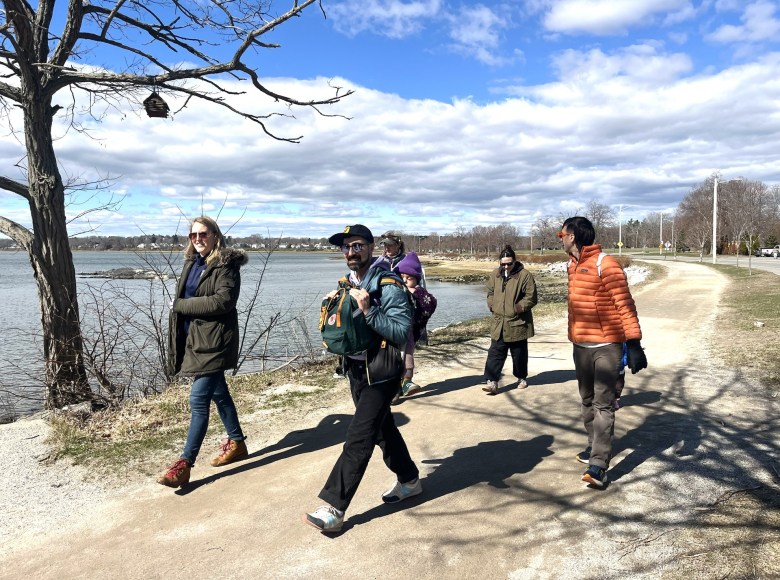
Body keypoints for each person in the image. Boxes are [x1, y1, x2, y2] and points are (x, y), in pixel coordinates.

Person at [304, 224, 421, 534]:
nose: (351, 252)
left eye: (357, 245)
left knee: (359, 436)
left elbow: (400, 331)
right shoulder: (346, 283)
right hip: (356, 370)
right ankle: (409, 480)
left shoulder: (388, 283)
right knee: (383, 430)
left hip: (382, 370)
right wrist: (331, 307)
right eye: (346, 247)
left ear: (371, 247)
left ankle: (334, 507)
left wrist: (368, 309)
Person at [157, 216, 249, 488]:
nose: (198, 239)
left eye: (203, 234)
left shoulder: (227, 264)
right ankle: (238, 443)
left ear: (215, 235)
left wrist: (181, 305)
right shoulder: (192, 262)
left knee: (198, 400)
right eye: (193, 235)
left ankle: (184, 465)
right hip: (194, 340)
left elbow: (223, 301)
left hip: (215, 342)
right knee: (219, 392)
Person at [560, 216, 647, 488]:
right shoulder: (572, 266)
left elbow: (624, 304)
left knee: (603, 403)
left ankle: (598, 464)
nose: (560, 238)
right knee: (586, 400)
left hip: (607, 346)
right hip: (580, 346)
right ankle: (593, 445)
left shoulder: (605, 263)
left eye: (560, 234)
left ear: (572, 236)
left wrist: (633, 343)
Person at [482, 245, 537, 395]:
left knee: (519, 353)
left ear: (514, 261)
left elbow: (531, 297)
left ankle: (521, 377)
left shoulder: (525, 275)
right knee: (495, 352)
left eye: (509, 263)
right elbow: (490, 291)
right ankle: (492, 381)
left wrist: (519, 308)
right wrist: (491, 303)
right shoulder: (495, 274)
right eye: (503, 264)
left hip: (518, 322)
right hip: (499, 322)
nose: (506, 266)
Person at [395, 251, 437, 398]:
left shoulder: (420, 293)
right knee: (393, 359)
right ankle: (395, 387)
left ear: (416, 279)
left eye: (409, 278)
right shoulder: (395, 289)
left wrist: (414, 296)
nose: (405, 281)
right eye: (402, 277)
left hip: (410, 332)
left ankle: (407, 381)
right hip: (394, 331)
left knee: (407, 356)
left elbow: (430, 304)